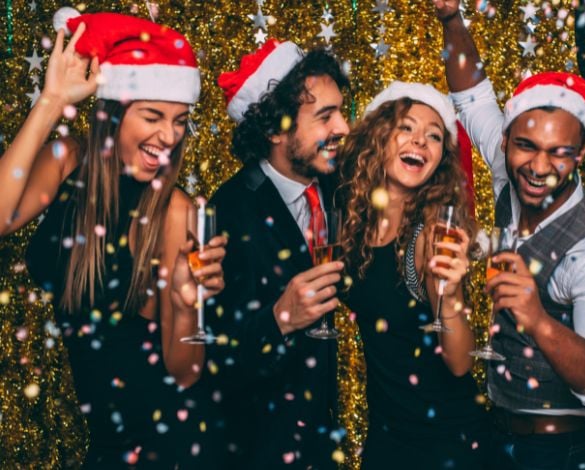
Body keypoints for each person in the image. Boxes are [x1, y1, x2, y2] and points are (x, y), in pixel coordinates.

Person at [0, 9, 227, 468]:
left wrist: (186, 306)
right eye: (153, 116)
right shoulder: (66, 161)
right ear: (114, 113)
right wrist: (51, 100)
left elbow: (186, 373)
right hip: (106, 442)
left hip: (163, 447)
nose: (169, 135)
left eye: (180, 120)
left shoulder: (176, 212)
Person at [435, 1, 585, 469]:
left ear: (582, 153)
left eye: (558, 153)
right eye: (526, 146)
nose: (539, 167)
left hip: (559, 451)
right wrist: (451, 18)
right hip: (495, 433)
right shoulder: (510, 173)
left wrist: (538, 319)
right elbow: (473, 97)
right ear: (506, 141)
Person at [207, 39, 350, 468]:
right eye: (325, 116)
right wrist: (278, 319)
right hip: (258, 452)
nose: (343, 127)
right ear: (275, 129)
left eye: (341, 112)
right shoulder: (229, 211)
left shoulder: (338, 188)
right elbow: (208, 356)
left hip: (323, 445)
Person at [337, 81, 488, 469]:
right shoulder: (354, 219)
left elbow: (460, 363)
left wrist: (450, 295)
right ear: (378, 137)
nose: (420, 141)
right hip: (388, 435)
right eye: (406, 127)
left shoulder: (431, 234)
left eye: (434, 135)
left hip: (445, 443)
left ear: (440, 159)